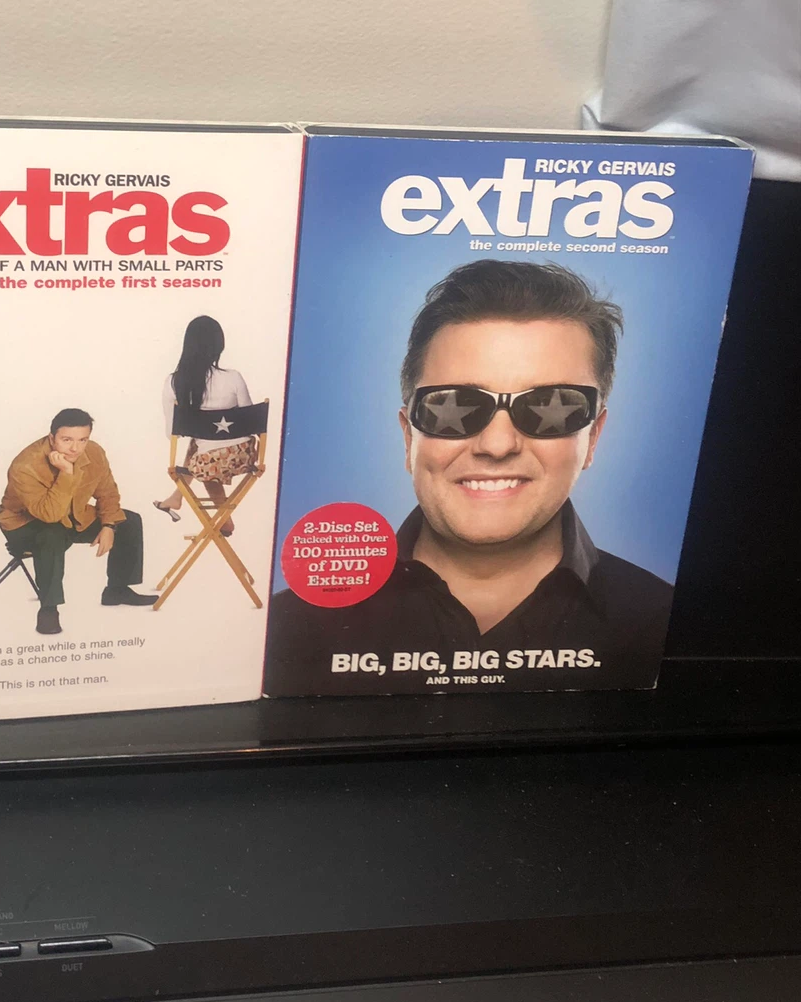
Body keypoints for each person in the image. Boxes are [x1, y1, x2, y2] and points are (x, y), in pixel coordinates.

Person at [266, 260, 675, 693]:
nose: (497, 445)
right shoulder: (287, 632)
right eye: (454, 406)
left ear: (592, 437)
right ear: (408, 437)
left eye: (551, 407)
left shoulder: (657, 624)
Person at [0, 408, 156, 634]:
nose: (75, 448)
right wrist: (66, 472)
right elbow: (49, 515)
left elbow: (108, 493)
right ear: (51, 438)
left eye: (82, 440)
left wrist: (109, 526)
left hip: (72, 515)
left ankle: (117, 590)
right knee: (51, 534)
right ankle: (48, 609)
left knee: (128, 521)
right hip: (25, 524)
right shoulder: (26, 465)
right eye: (67, 440)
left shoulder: (94, 453)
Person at [154, 316, 253, 537]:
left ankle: (178, 497)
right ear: (219, 345)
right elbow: (249, 421)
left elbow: (172, 433)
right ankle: (216, 517)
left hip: (206, 464)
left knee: (203, 451)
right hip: (243, 457)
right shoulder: (234, 377)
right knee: (204, 451)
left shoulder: (174, 382)